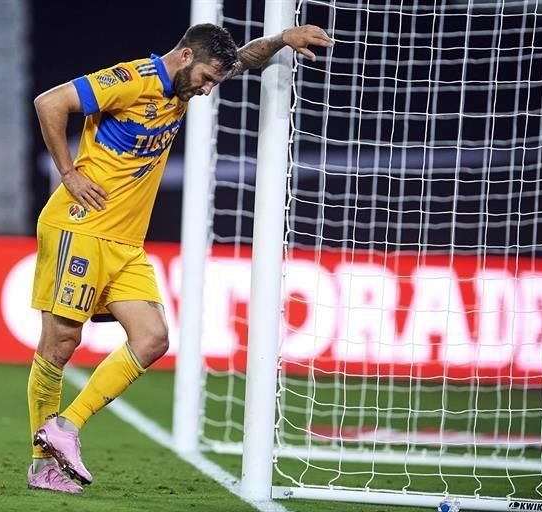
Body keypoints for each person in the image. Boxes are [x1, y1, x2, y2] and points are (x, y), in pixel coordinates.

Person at [27, 22, 333, 494]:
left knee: (152, 339)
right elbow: (50, 102)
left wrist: (280, 41)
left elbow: (244, 59)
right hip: (81, 227)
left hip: (126, 244)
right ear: (185, 56)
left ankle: (65, 427)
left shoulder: (184, 89)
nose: (210, 91)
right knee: (60, 346)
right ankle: (41, 465)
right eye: (208, 78)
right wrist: (67, 173)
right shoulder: (130, 80)